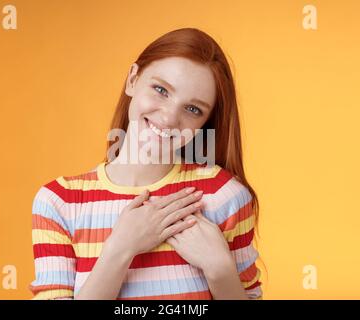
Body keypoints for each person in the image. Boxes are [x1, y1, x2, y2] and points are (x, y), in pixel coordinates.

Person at [29, 28, 263, 300]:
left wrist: (220, 270)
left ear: (204, 124)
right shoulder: (60, 202)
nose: (169, 118)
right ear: (132, 79)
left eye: (193, 109)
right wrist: (120, 249)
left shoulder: (224, 196)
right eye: (161, 90)